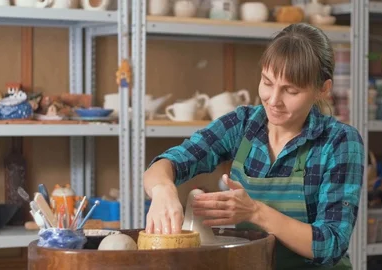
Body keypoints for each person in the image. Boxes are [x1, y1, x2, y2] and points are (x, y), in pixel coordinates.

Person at [143, 23, 364, 270]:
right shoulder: (243, 124)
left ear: (322, 89)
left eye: (290, 90)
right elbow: (169, 163)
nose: (273, 100)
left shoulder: (339, 141)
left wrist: (255, 212)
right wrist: (164, 190)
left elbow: (331, 244)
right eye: (267, 82)